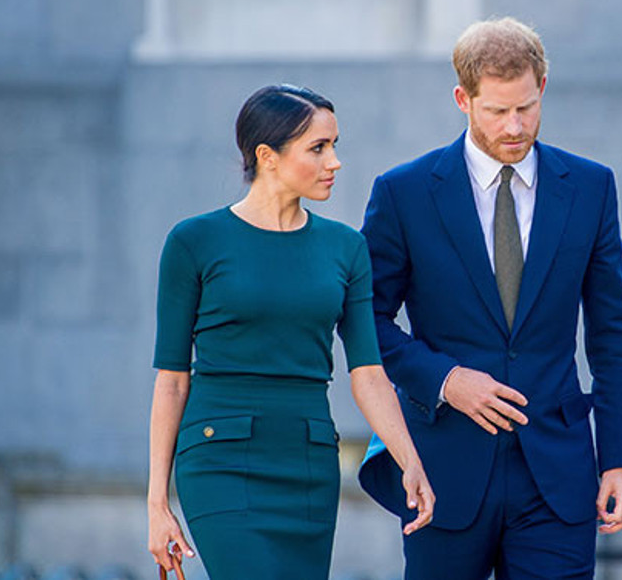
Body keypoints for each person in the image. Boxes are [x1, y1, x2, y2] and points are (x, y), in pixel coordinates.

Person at [358, 17, 622, 579]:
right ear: (462, 99)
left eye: (527, 107)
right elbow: (365, 317)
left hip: (557, 476)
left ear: (543, 89)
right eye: (496, 111)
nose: (514, 126)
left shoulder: (591, 187)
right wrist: (446, 379)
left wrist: (620, 459)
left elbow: (614, 332)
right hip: (442, 472)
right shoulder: (403, 193)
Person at [147, 84, 435, 580]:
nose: (334, 162)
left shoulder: (346, 248)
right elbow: (172, 379)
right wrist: (156, 503)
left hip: (307, 461)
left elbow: (368, 373)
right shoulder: (194, 242)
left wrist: (409, 459)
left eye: (334, 145)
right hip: (219, 458)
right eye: (318, 148)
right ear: (267, 156)